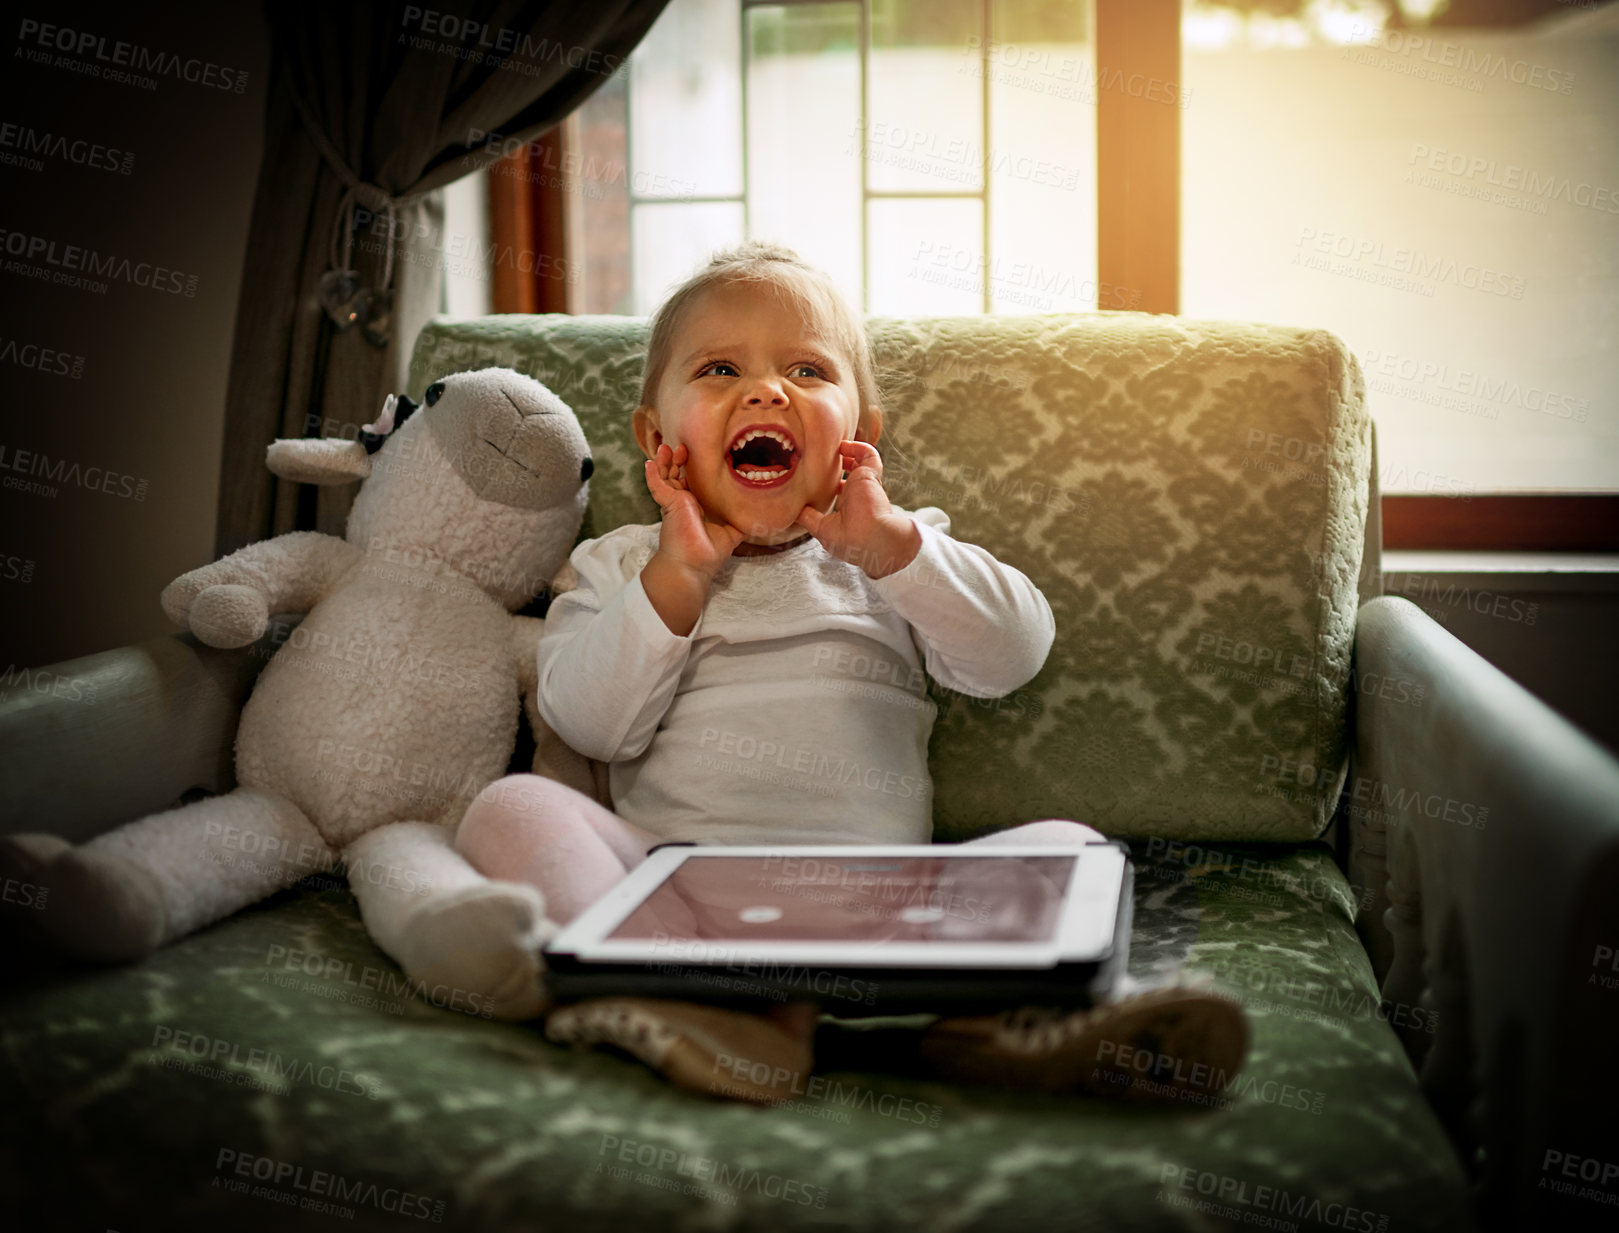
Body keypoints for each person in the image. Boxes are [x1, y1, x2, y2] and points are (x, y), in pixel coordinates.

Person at [454, 241, 1247, 1106]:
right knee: (513, 808)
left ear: (858, 434)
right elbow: (589, 724)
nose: (765, 391)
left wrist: (895, 548)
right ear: (657, 439)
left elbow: (1012, 656)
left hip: (881, 907)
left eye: (805, 368)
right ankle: (686, 1003)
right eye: (719, 368)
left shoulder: (889, 553)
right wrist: (676, 577)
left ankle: (992, 1030)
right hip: (677, 900)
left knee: (1071, 847)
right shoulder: (621, 564)